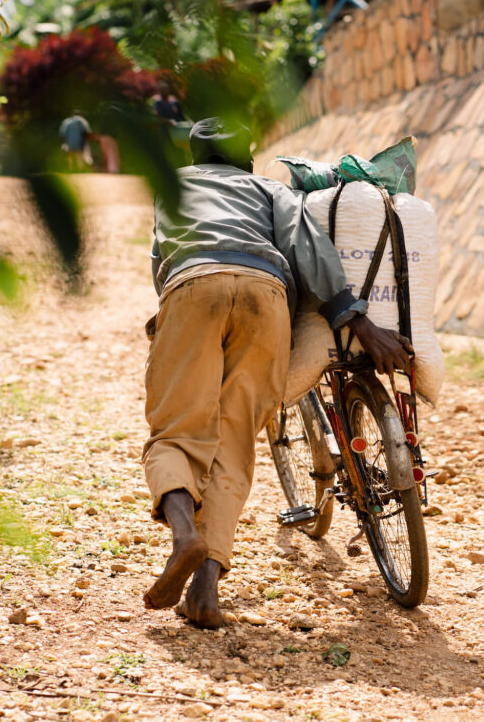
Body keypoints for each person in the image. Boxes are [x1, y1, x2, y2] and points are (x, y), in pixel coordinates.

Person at [142, 118, 413, 628]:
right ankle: (205, 591)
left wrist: (175, 310)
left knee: (175, 431)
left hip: (193, 285)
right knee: (236, 439)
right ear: (246, 156)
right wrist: (354, 319)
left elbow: (162, 260)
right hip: (266, 298)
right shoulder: (269, 189)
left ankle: (185, 537)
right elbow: (307, 247)